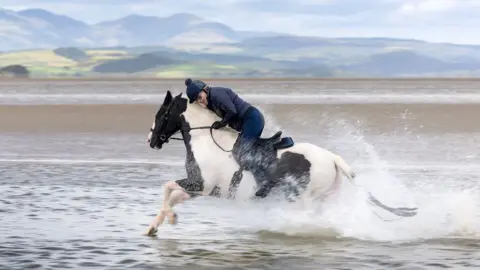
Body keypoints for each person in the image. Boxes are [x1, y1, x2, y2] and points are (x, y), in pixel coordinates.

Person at [185, 78, 273, 197]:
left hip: (252, 119)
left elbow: (232, 111)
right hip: (248, 121)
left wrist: (221, 123)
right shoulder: (209, 101)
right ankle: (262, 178)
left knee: (242, 152)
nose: (200, 101)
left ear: (205, 90)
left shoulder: (216, 95)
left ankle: (265, 182)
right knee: (237, 152)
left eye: (200, 97)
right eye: (197, 100)